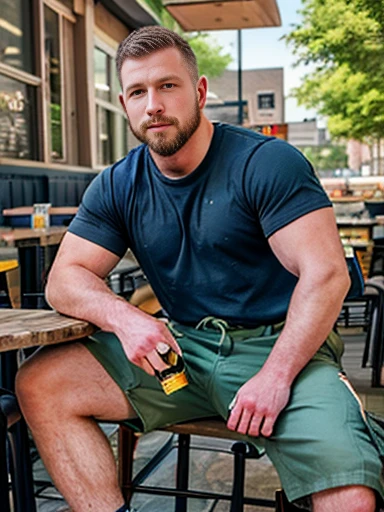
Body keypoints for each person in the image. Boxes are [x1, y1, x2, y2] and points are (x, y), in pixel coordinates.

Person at [16, 26, 383, 512]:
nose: (154, 105)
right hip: (184, 348)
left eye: (168, 86)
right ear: (124, 104)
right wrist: (127, 319)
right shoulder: (117, 184)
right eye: (137, 92)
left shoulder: (267, 163)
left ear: (200, 91)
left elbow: (327, 274)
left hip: (282, 349)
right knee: (41, 382)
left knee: (351, 496)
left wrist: (275, 376)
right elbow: (65, 278)